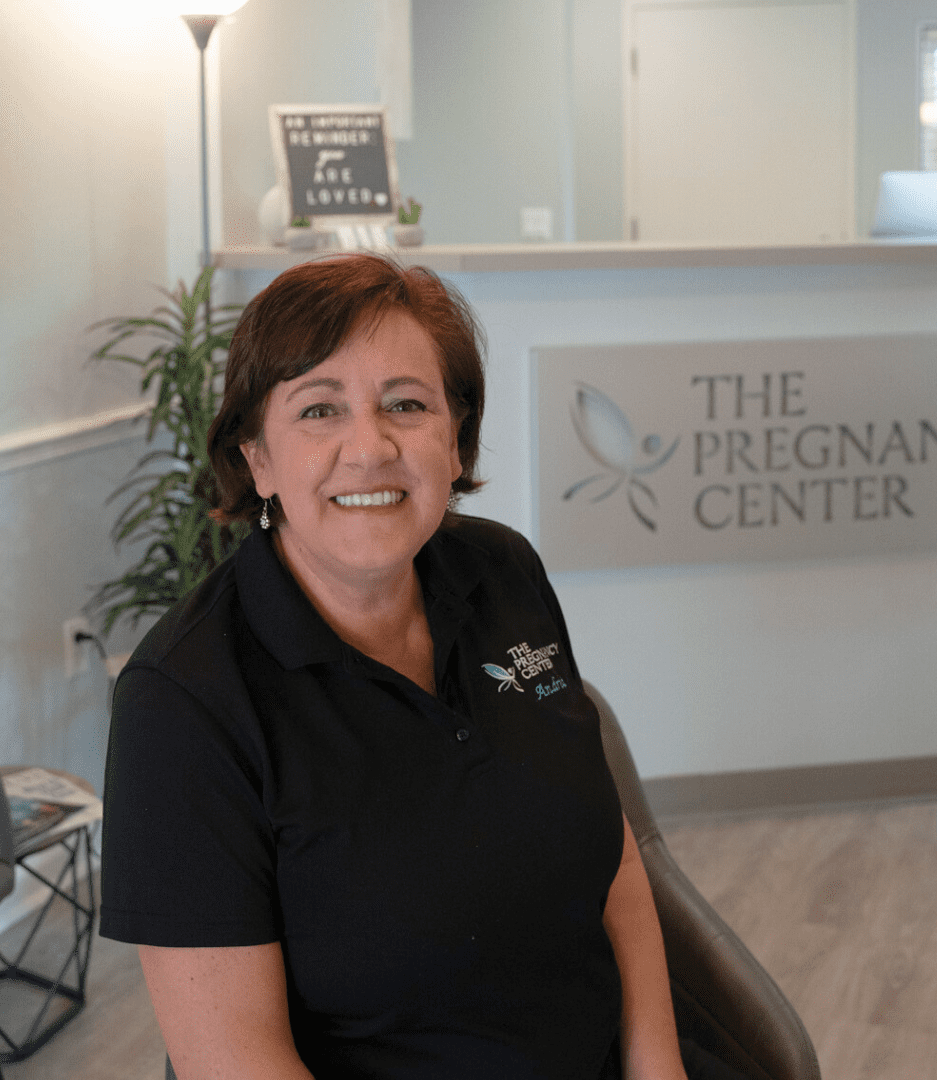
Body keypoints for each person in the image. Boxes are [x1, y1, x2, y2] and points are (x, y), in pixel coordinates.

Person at [100, 255, 737, 1080]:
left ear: (453, 436)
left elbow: (609, 854)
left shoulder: (504, 574)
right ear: (257, 459)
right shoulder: (183, 702)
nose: (370, 448)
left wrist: (659, 1068)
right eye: (319, 410)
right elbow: (236, 1060)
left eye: (406, 404)